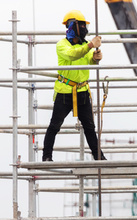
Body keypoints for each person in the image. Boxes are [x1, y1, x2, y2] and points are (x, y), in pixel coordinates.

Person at [42, 10, 106, 162]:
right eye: (82, 25)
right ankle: (46, 156)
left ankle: (99, 157)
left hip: (82, 91)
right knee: (55, 125)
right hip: (65, 91)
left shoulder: (85, 45)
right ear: (73, 26)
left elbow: (89, 58)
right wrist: (91, 45)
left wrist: (96, 58)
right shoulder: (62, 45)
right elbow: (73, 54)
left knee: (90, 127)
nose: (84, 29)